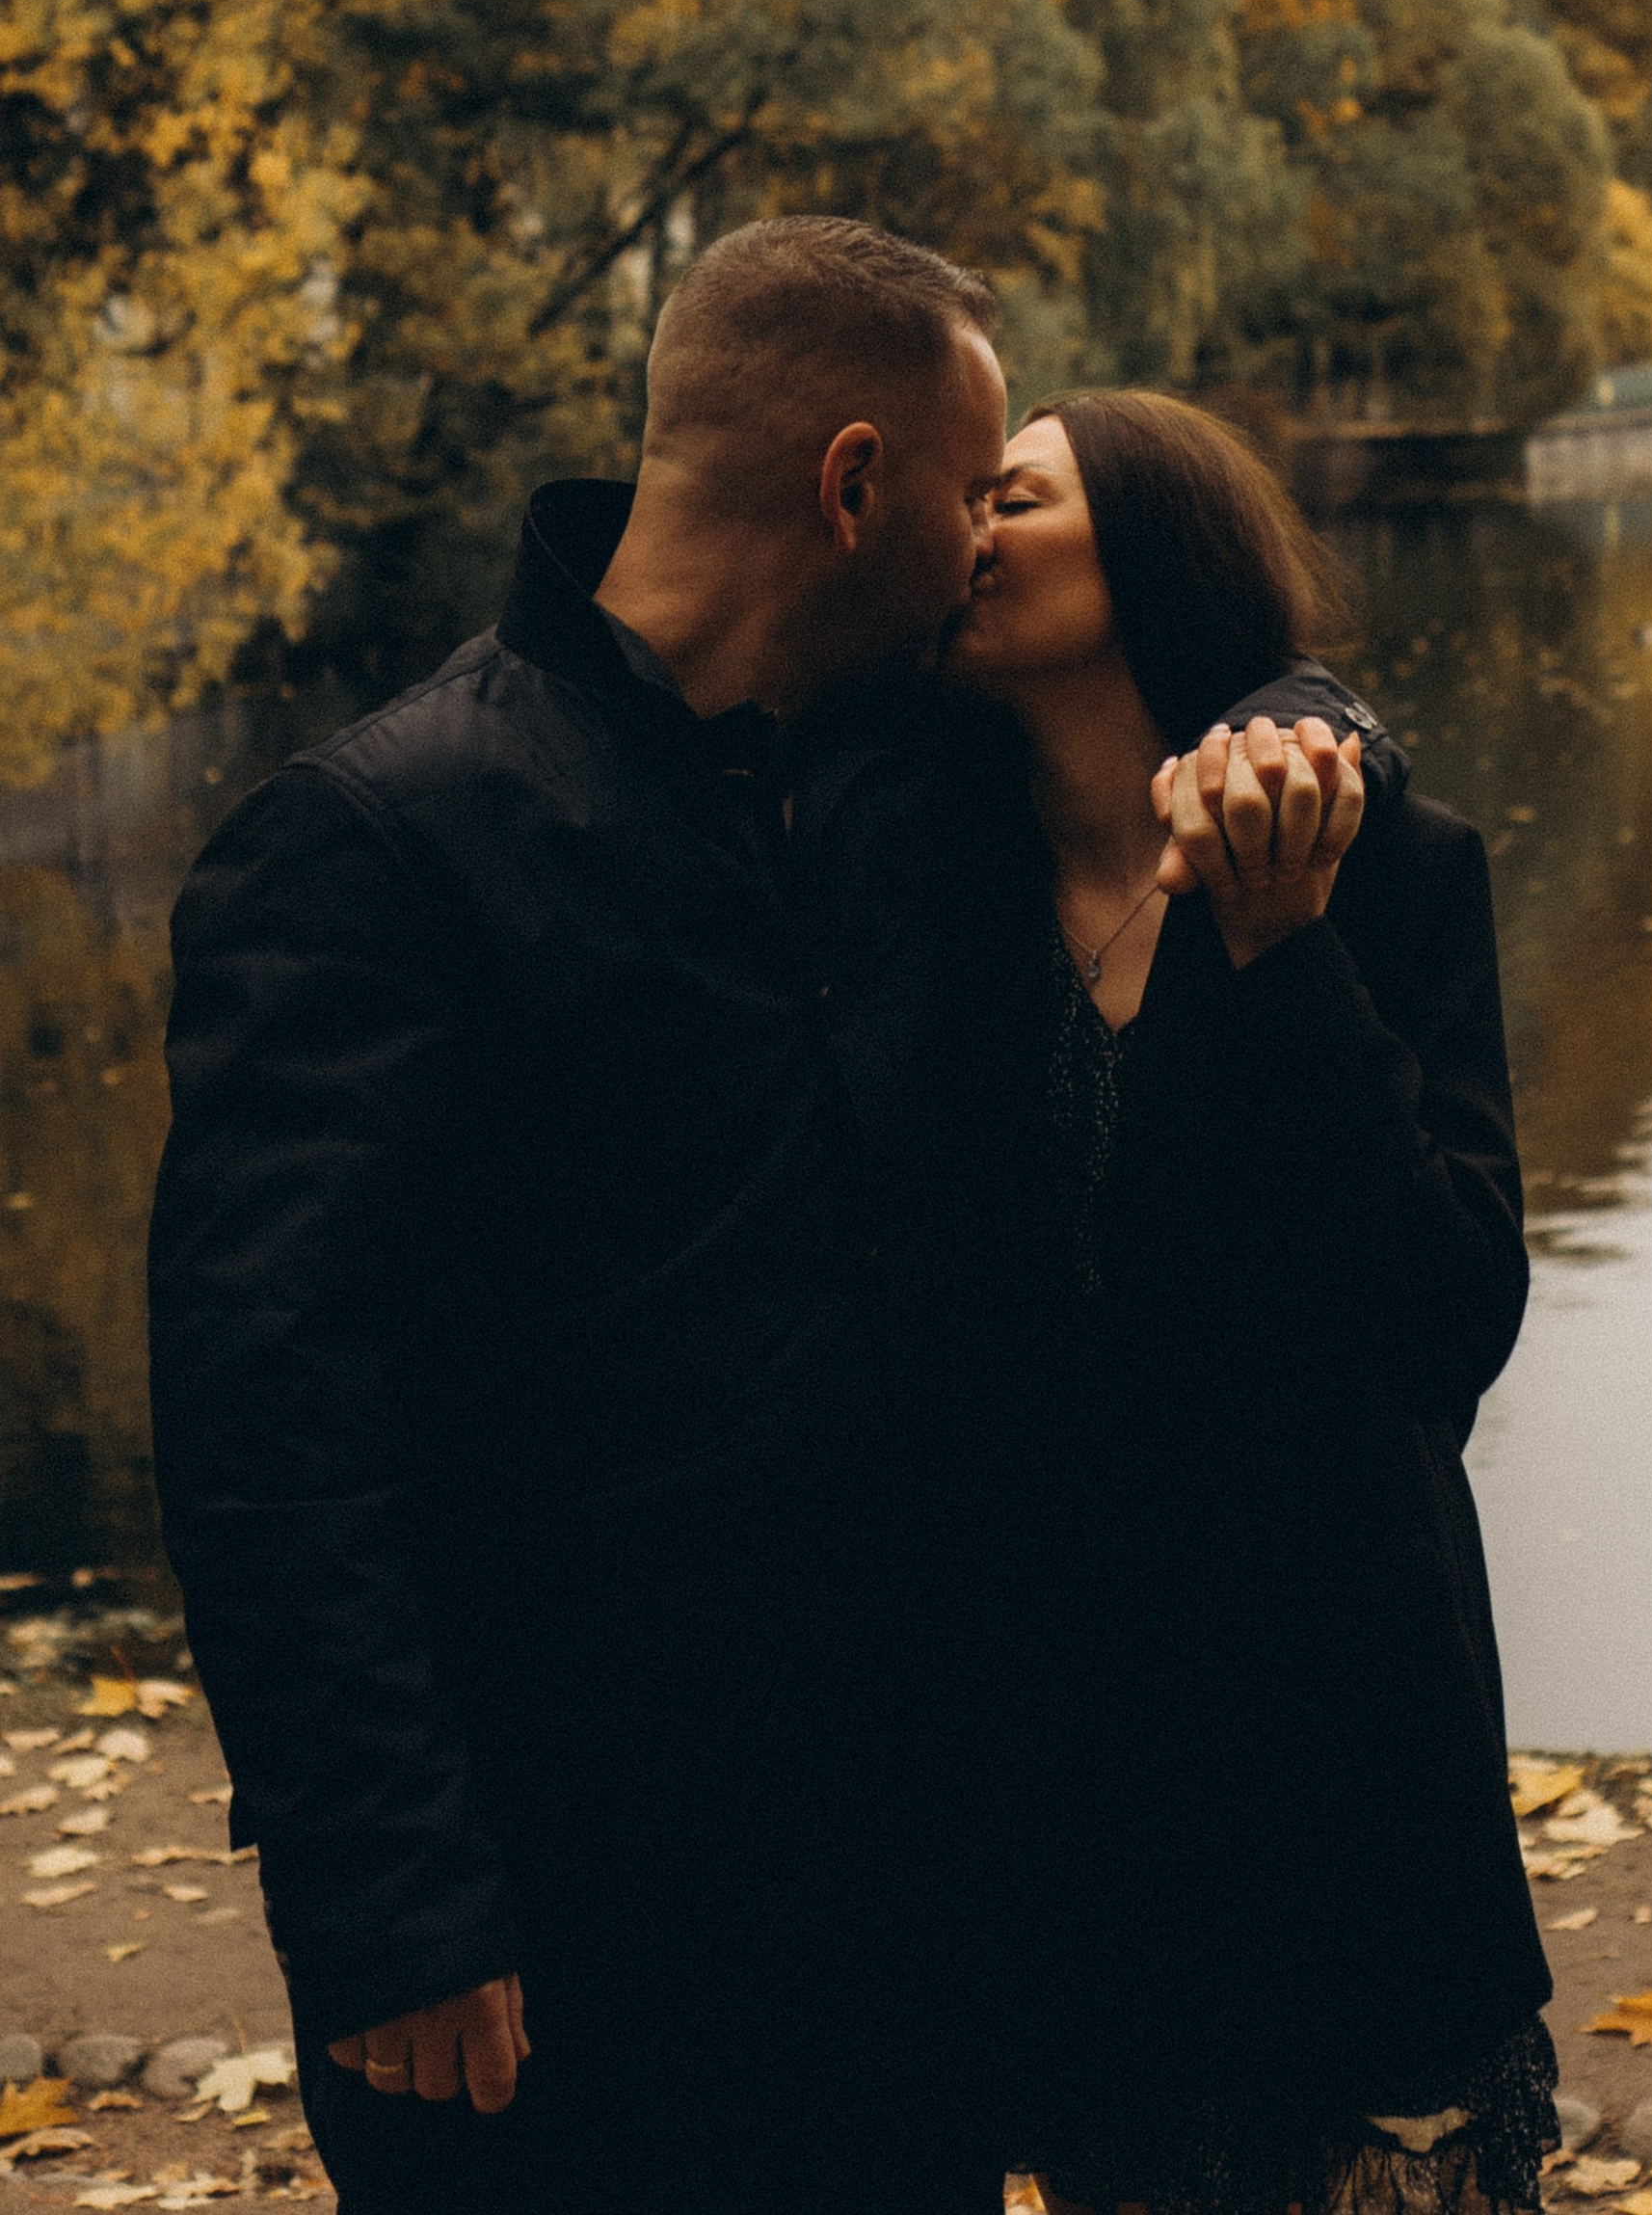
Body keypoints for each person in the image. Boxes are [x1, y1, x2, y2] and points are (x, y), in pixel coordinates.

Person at [147, 216, 1026, 2214]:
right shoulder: (377, 841)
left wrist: (1307, 703)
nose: (987, 542)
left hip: (890, 1898)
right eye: (973, 493)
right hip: (548, 1934)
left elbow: (1191, 658)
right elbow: (268, 1424)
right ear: (854, 483)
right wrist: (393, 1905)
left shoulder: (918, 786)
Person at [837, 389, 1557, 2215]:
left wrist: (1280, 947)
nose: (969, 530)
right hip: (1059, 1764)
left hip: (1335, 1728)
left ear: (1151, 550)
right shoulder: (918, 879)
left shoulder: (1386, 865)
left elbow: (1451, 1312)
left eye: (1015, 493)